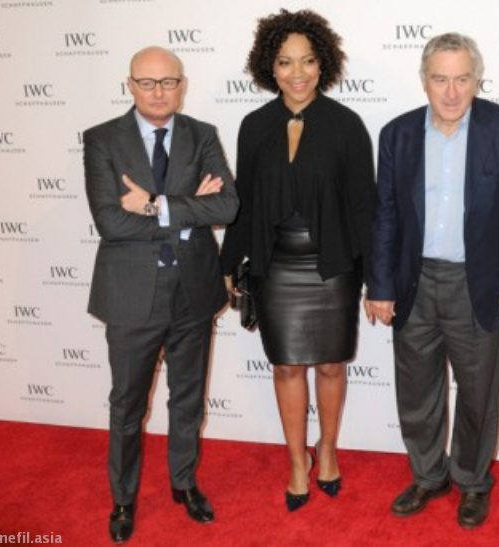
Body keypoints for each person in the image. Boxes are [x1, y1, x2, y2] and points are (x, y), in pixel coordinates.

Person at [367, 33, 499, 528]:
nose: (451, 92)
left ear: (476, 79)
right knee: (416, 389)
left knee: (478, 392)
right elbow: (385, 216)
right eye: (440, 79)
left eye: (462, 79)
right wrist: (380, 286)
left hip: (476, 283)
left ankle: (472, 480)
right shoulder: (397, 134)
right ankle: (428, 476)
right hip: (414, 282)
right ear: (424, 80)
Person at [220, 9, 375, 512]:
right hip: (276, 266)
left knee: (330, 365)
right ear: (271, 66)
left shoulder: (347, 125)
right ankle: (295, 461)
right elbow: (243, 203)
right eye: (285, 62)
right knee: (287, 367)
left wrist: (377, 279)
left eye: (307, 60)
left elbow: (364, 207)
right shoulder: (254, 126)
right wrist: (228, 263)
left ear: (322, 63)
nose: (298, 73)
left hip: (333, 266)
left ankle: (327, 450)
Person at [84, 46, 238, 543]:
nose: (158, 92)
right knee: (127, 405)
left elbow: (228, 206)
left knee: (188, 398)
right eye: (147, 83)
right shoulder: (102, 139)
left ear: (182, 84)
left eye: (168, 82)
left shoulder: (201, 134)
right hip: (131, 294)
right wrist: (190, 212)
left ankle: (184, 483)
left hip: (193, 291)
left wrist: (154, 204)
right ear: (130, 85)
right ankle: (123, 498)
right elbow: (110, 221)